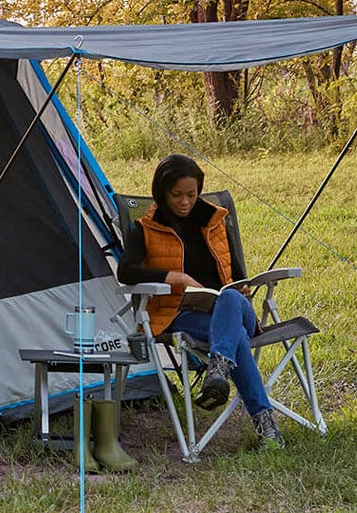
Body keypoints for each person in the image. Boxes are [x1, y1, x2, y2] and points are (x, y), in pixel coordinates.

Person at [117, 152, 282, 449]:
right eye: (176, 195)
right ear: (162, 192)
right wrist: (174, 277)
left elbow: (237, 275)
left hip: (233, 307)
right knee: (235, 336)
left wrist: (243, 288)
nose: (185, 201)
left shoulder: (215, 221)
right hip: (183, 315)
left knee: (230, 298)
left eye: (191, 195)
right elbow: (125, 271)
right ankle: (266, 427)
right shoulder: (145, 229)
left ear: (199, 191)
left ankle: (219, 371)